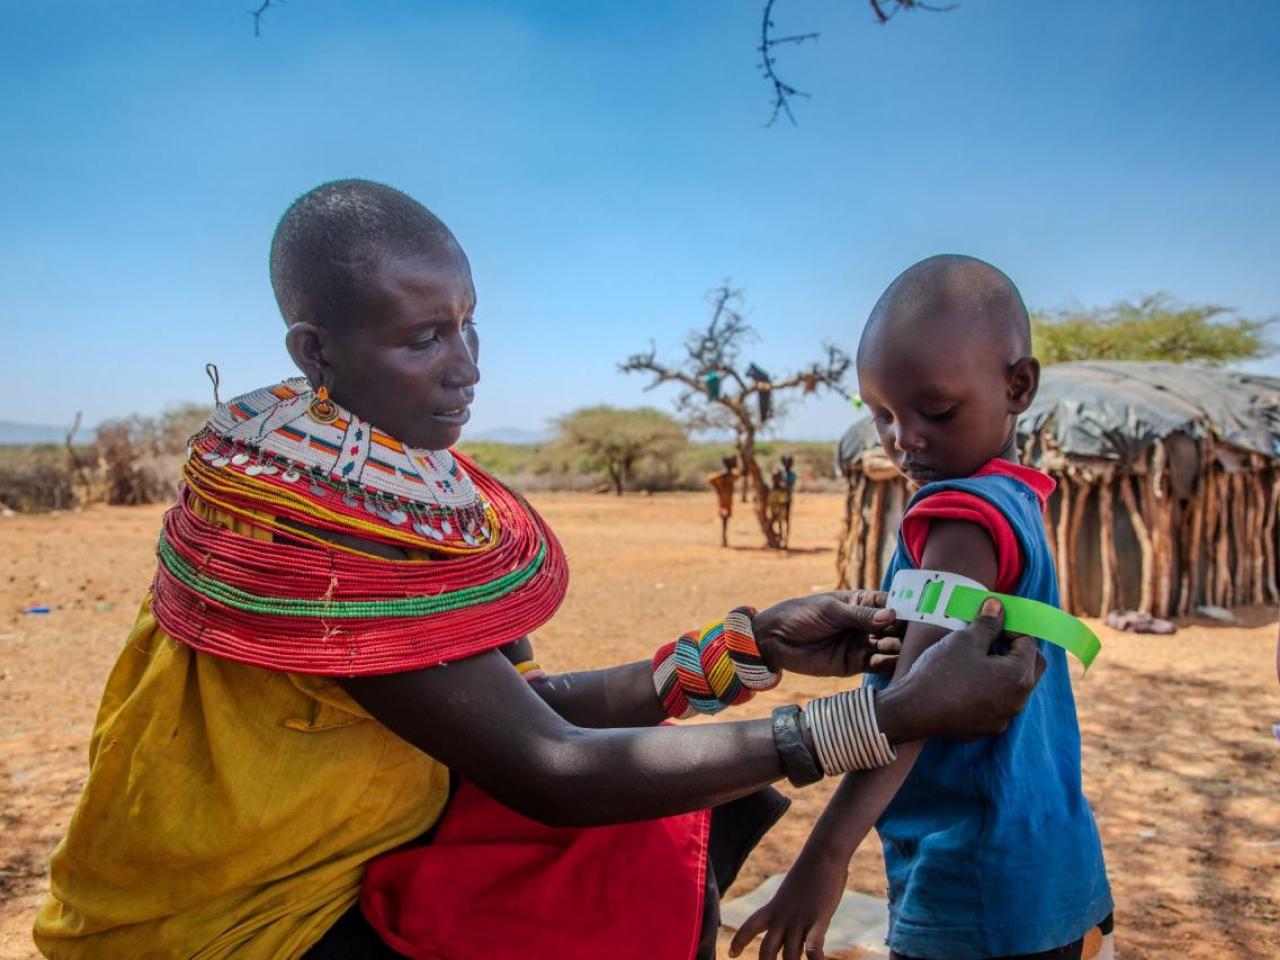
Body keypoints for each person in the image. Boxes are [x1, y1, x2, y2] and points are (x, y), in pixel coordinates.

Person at [34, 187, 1049, 960]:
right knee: (626, 855)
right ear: (317, 350)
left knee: (664, 834)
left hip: (348, 846)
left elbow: (504, 708)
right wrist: (890, 717)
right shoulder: (319, 539)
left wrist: (746, 648)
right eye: (426, 336)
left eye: (469, 322)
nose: (467, 361)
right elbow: (549, 768)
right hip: (251, 922)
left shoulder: (373, 482)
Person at [733, 256, 1114, 960]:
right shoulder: (1018, 497)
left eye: (935, 412)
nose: (903, 439)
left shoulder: (961, 519)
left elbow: (913, 706)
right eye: (880, 415)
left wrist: (824, 856)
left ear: (1017, 386)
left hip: (970, 869)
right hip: (1050, 850)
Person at [709, 454, 741, 547]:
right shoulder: (723, 476)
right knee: (724, 519)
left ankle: (724, 538)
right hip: (724, 503)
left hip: (727, 503)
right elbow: (711, 480)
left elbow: (738, 475)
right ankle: (724, 538)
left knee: (725, 519)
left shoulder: (729, 475)